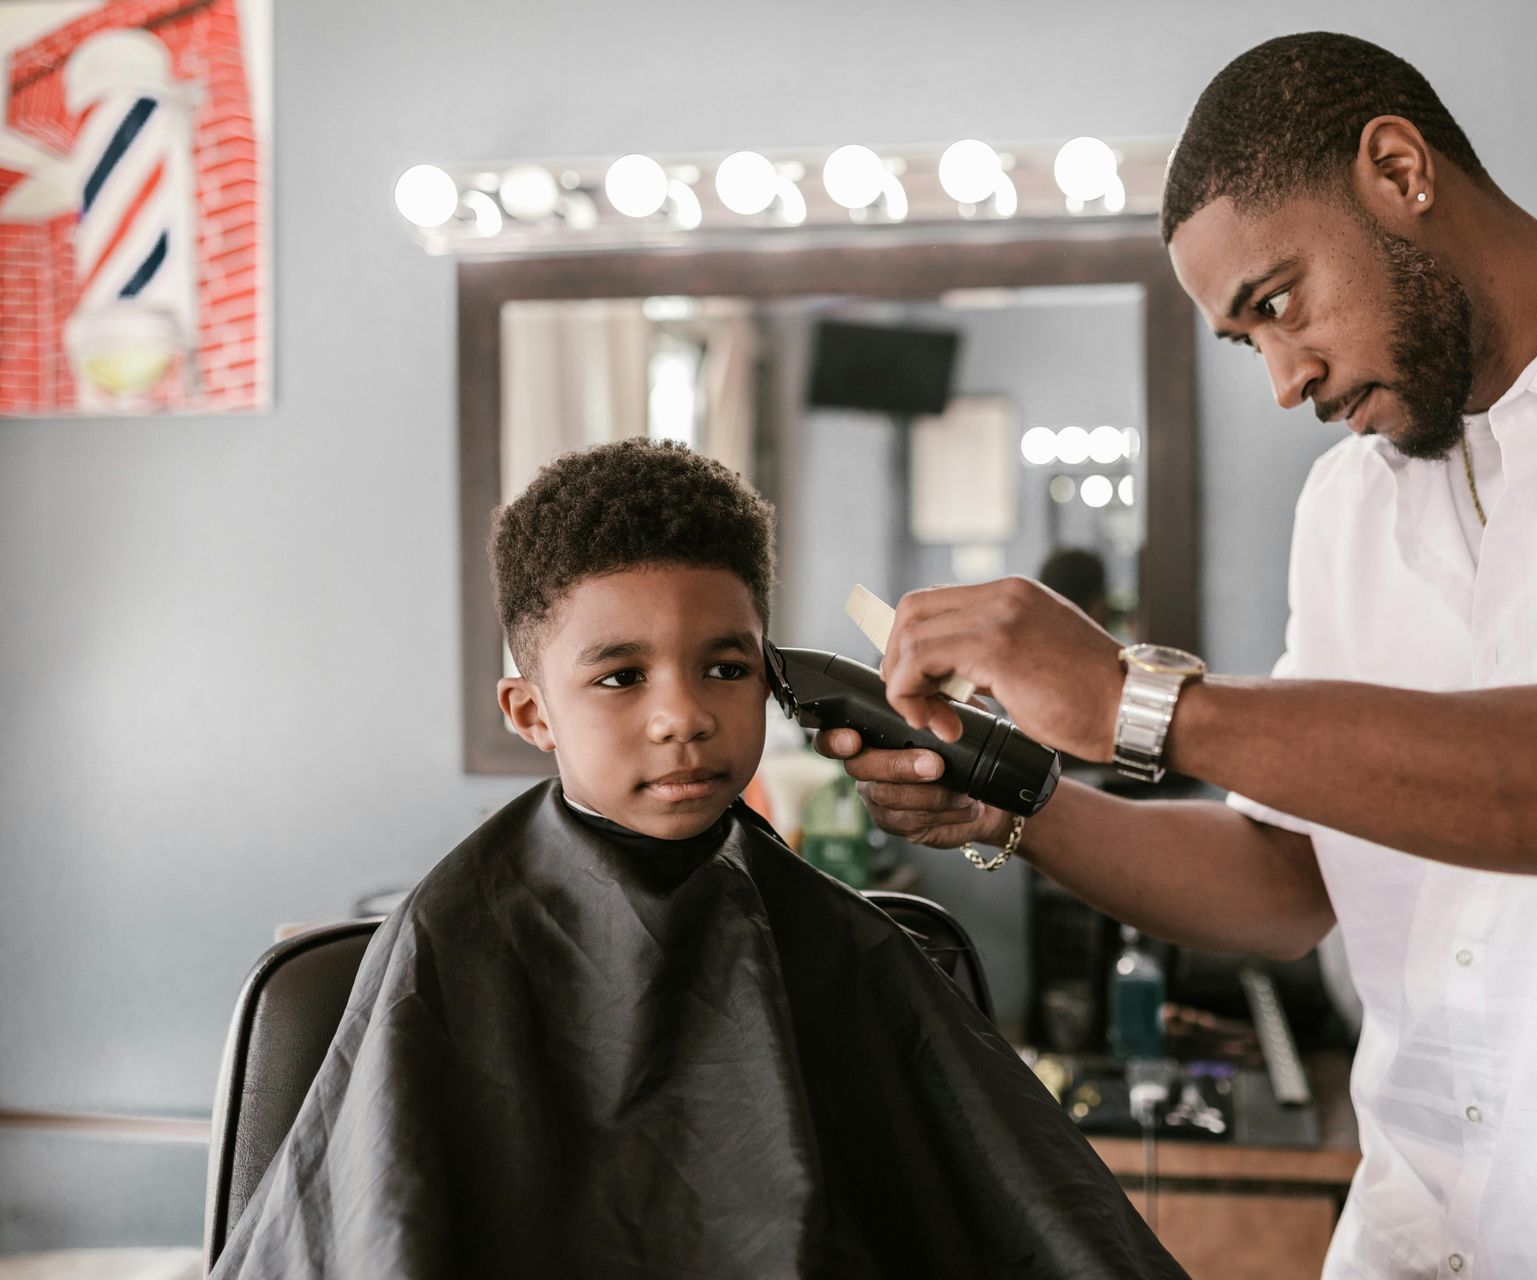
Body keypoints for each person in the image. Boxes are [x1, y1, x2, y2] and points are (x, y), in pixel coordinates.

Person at [821, 32, 1537, 1279]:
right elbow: (1294, 878)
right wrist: (1015, 800)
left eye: (1276, 303)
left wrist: (1137, 698)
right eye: (1245, 343)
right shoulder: (1352, 510)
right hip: (1440, 1234)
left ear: (1398, 169)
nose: (1285, 382)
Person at [214, 439, 1181, 1280]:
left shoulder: (846, 945)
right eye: (621, 677)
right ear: (531, 712)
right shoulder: (450, 939)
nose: (682, 715)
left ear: (777, 678)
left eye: (727, 669)